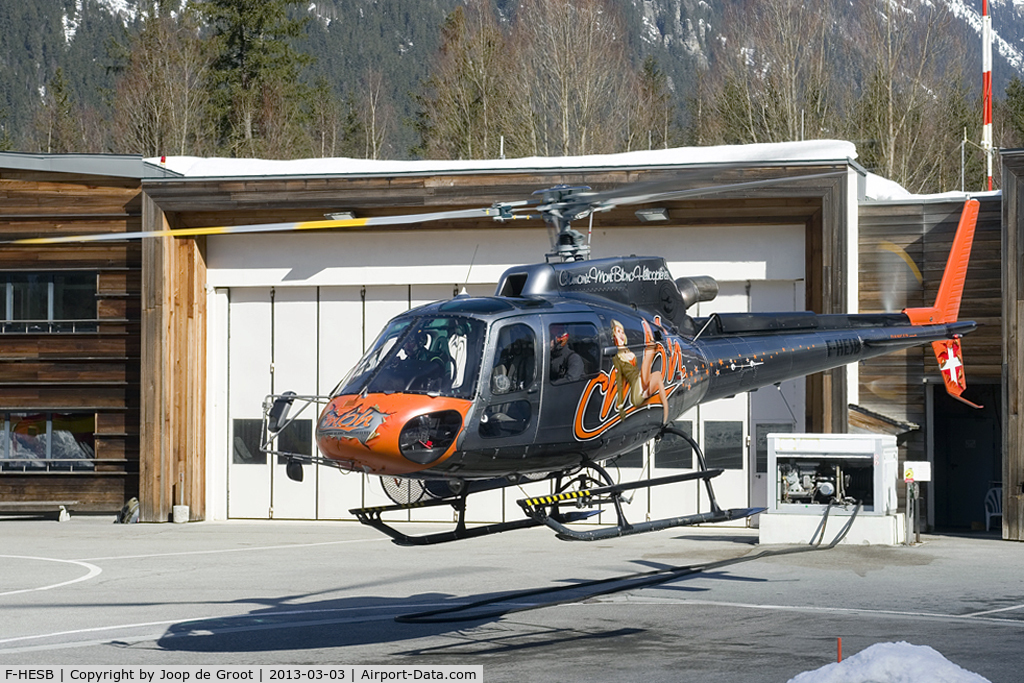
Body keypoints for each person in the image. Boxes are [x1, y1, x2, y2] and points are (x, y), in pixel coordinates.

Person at [611, 319, 669, 424]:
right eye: (618, 332)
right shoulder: (617, 358)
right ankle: (650, 340)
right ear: (614, 335)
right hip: (637, 392)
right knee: (649, 359)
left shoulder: (628, 351)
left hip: (641, 381)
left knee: (657, 375)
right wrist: (620, 405)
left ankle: (665, 414)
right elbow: (619, 381)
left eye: (622, 332)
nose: (622, 334)